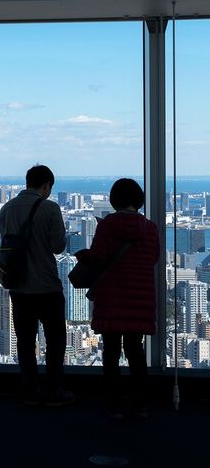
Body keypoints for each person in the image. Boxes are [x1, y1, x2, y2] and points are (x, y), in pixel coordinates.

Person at [74, 178, 158, 419]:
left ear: (114, 200)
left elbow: (99, 258)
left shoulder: (108, 226)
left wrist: (82, 255)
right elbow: (152, 258)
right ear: (139, 200)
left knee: (111, 351)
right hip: (140, 297)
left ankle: (114, 404)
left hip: (112, 296)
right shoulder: (150, 228)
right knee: (135, 350)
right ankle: (140, 404)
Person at [0, 164, 74, 406]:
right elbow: (58, 246)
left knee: (25, 340)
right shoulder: (50, 208)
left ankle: (30, 390)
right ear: (46, 186)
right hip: (47, 285)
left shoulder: (7, 209)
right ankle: (55, 389)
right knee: (55, 341)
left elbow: (6, 242)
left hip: (19, 286)